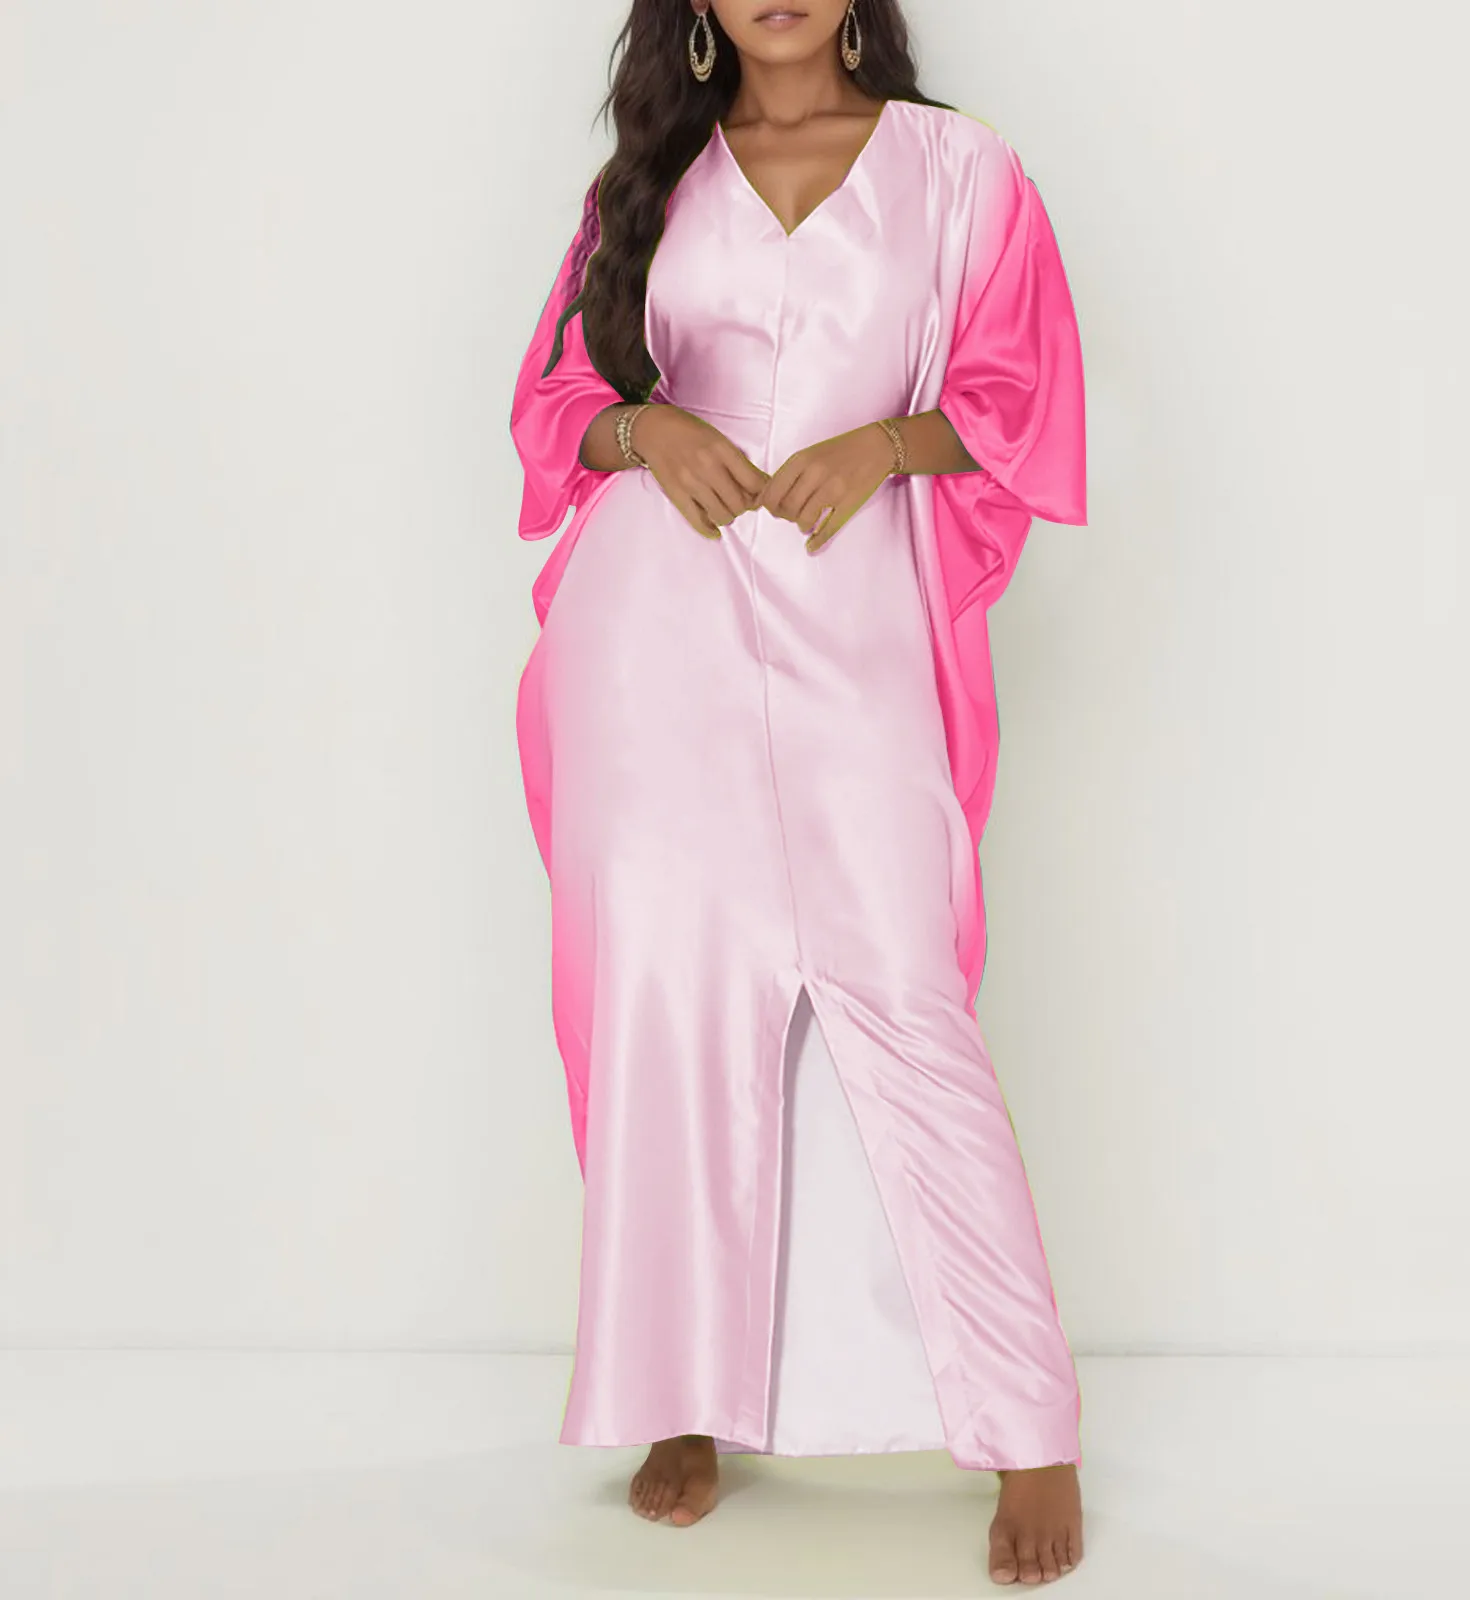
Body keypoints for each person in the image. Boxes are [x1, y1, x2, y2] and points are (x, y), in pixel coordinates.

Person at [509, 0, 1089, 1584]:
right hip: (657, 648)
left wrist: (887, 444)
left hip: (856, 636)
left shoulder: (960, 174)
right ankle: (679, 1395)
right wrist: (644, 427)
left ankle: (1028, 1423)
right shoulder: (647, 179)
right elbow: (551, 408)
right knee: (667, 1007)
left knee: (901, 993)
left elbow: (1026, 400)